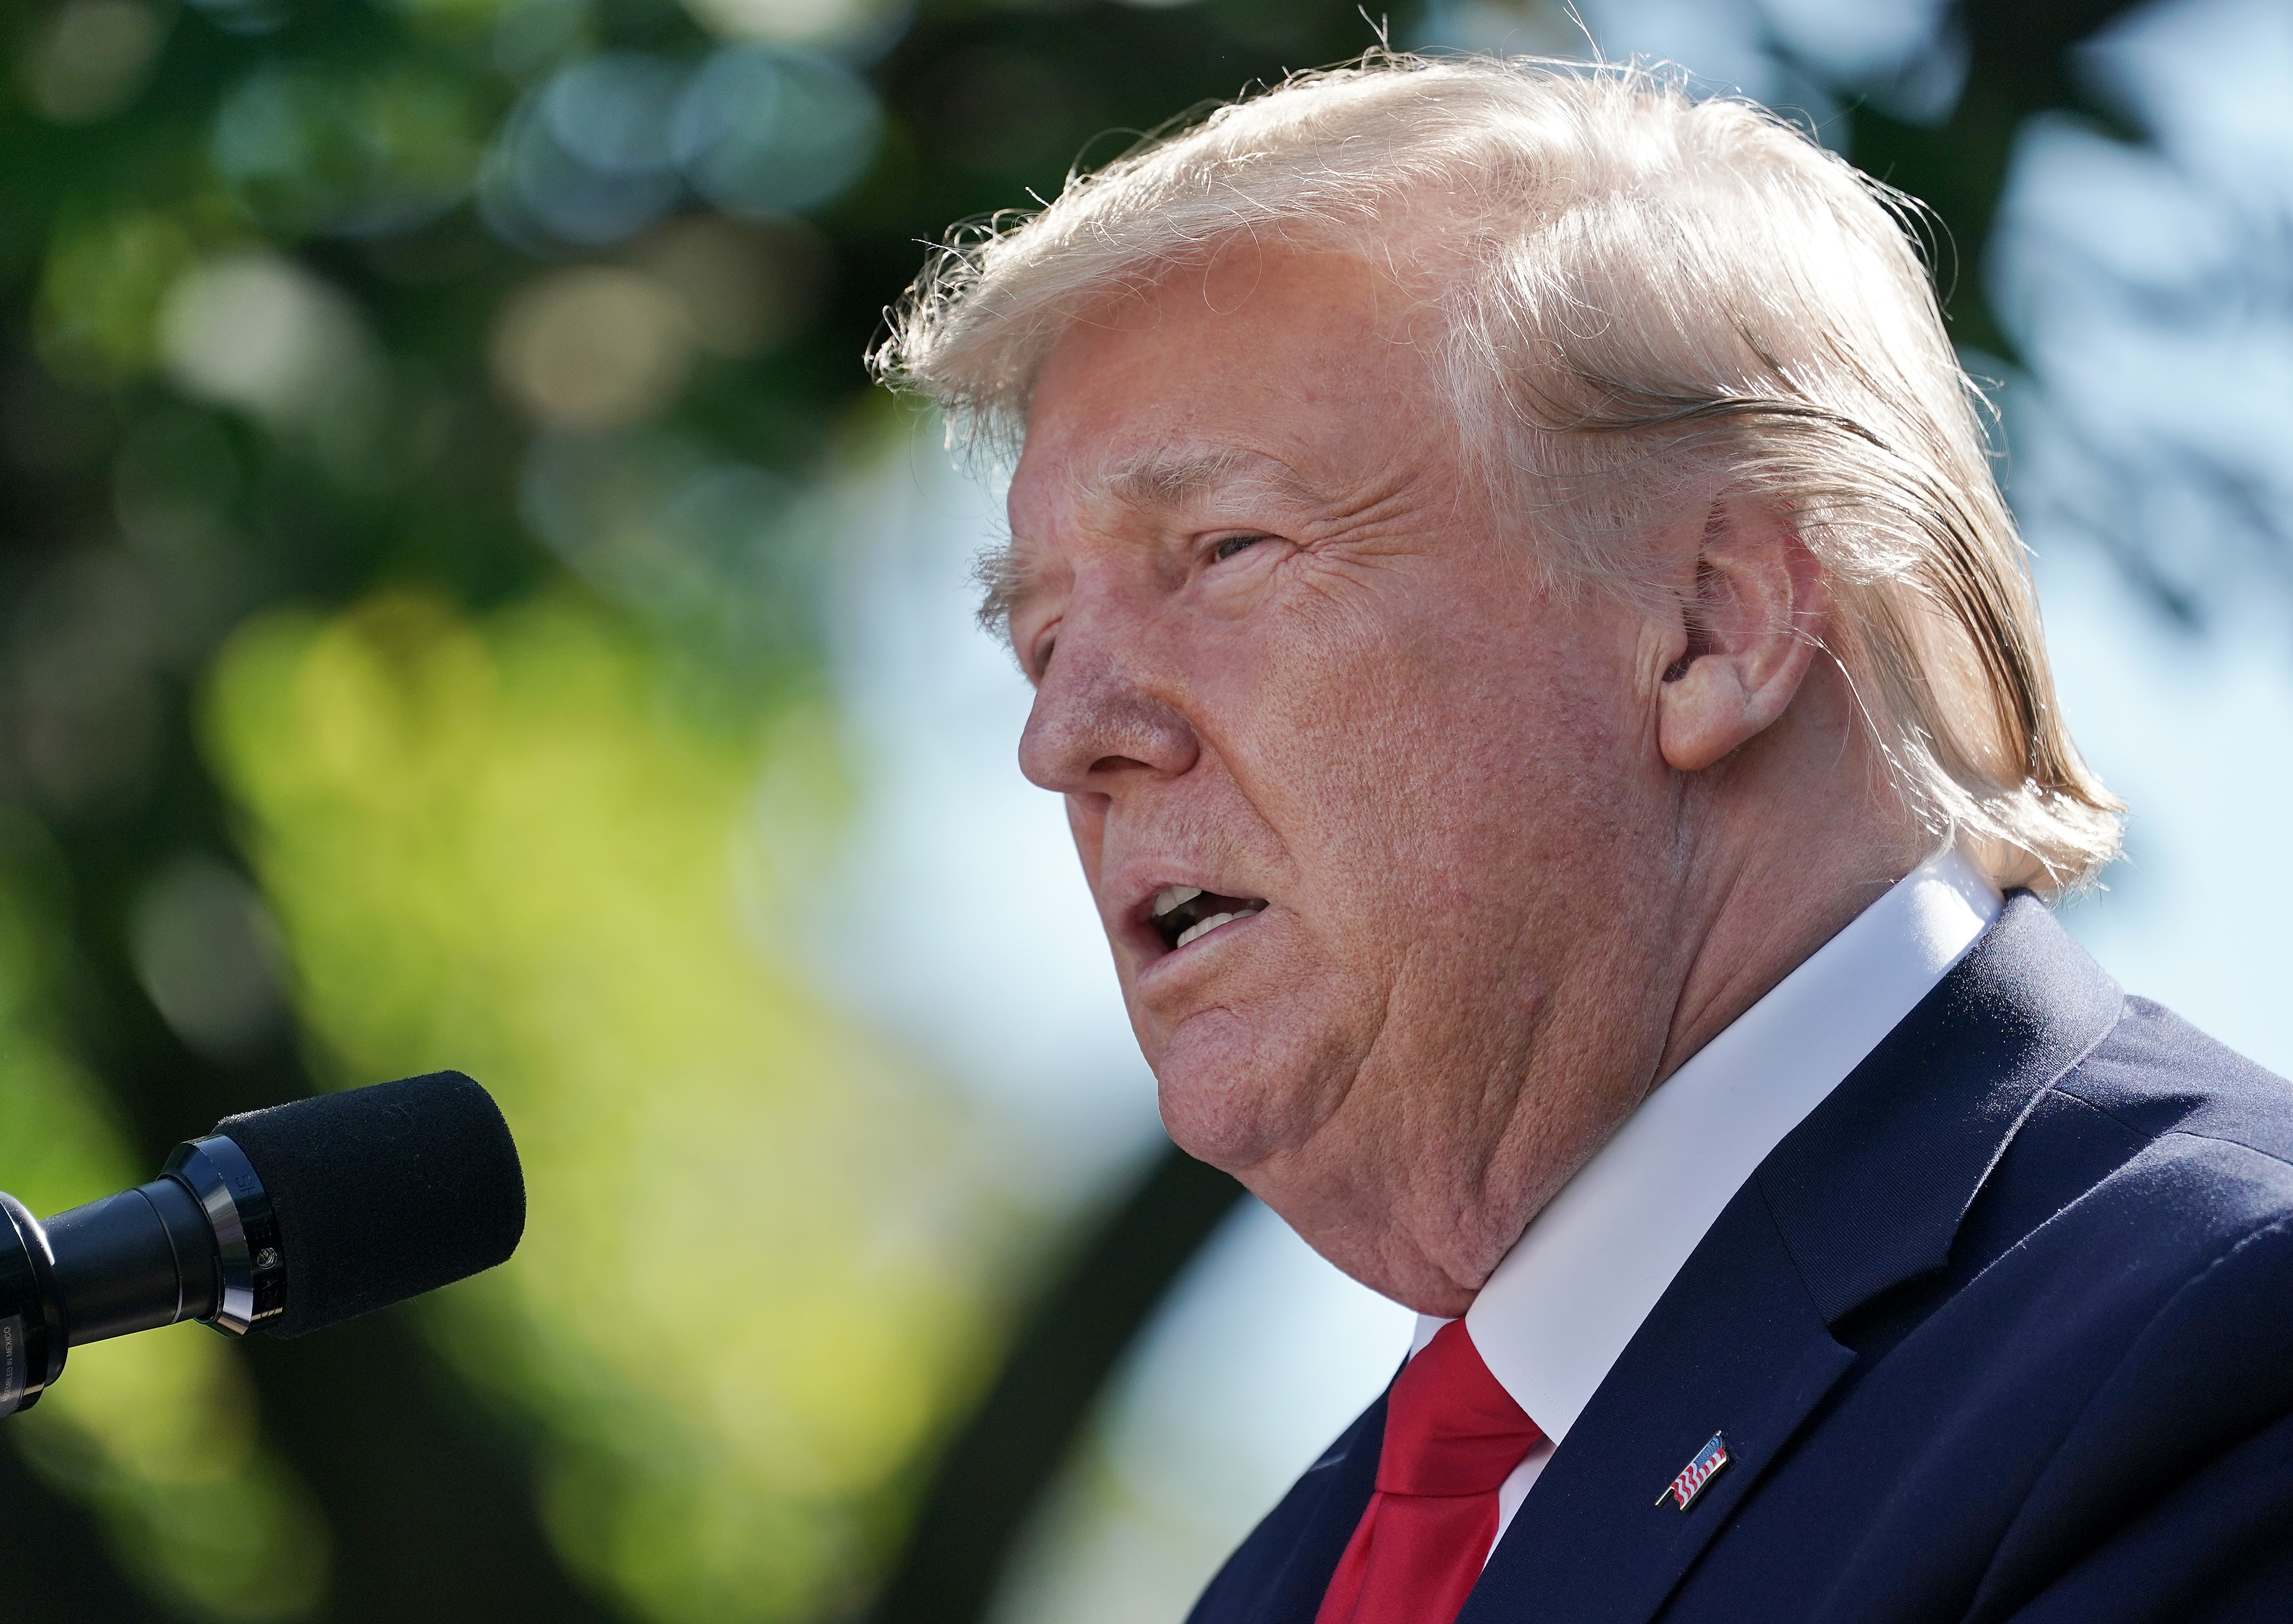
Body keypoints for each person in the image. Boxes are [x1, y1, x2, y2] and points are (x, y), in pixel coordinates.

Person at [874, 52, 2293, 1624]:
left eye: (1222, 551)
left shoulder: (2225, 1344)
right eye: (1042, 635)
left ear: (1712, 625)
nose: (1063, 737)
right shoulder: (1285, 1581)